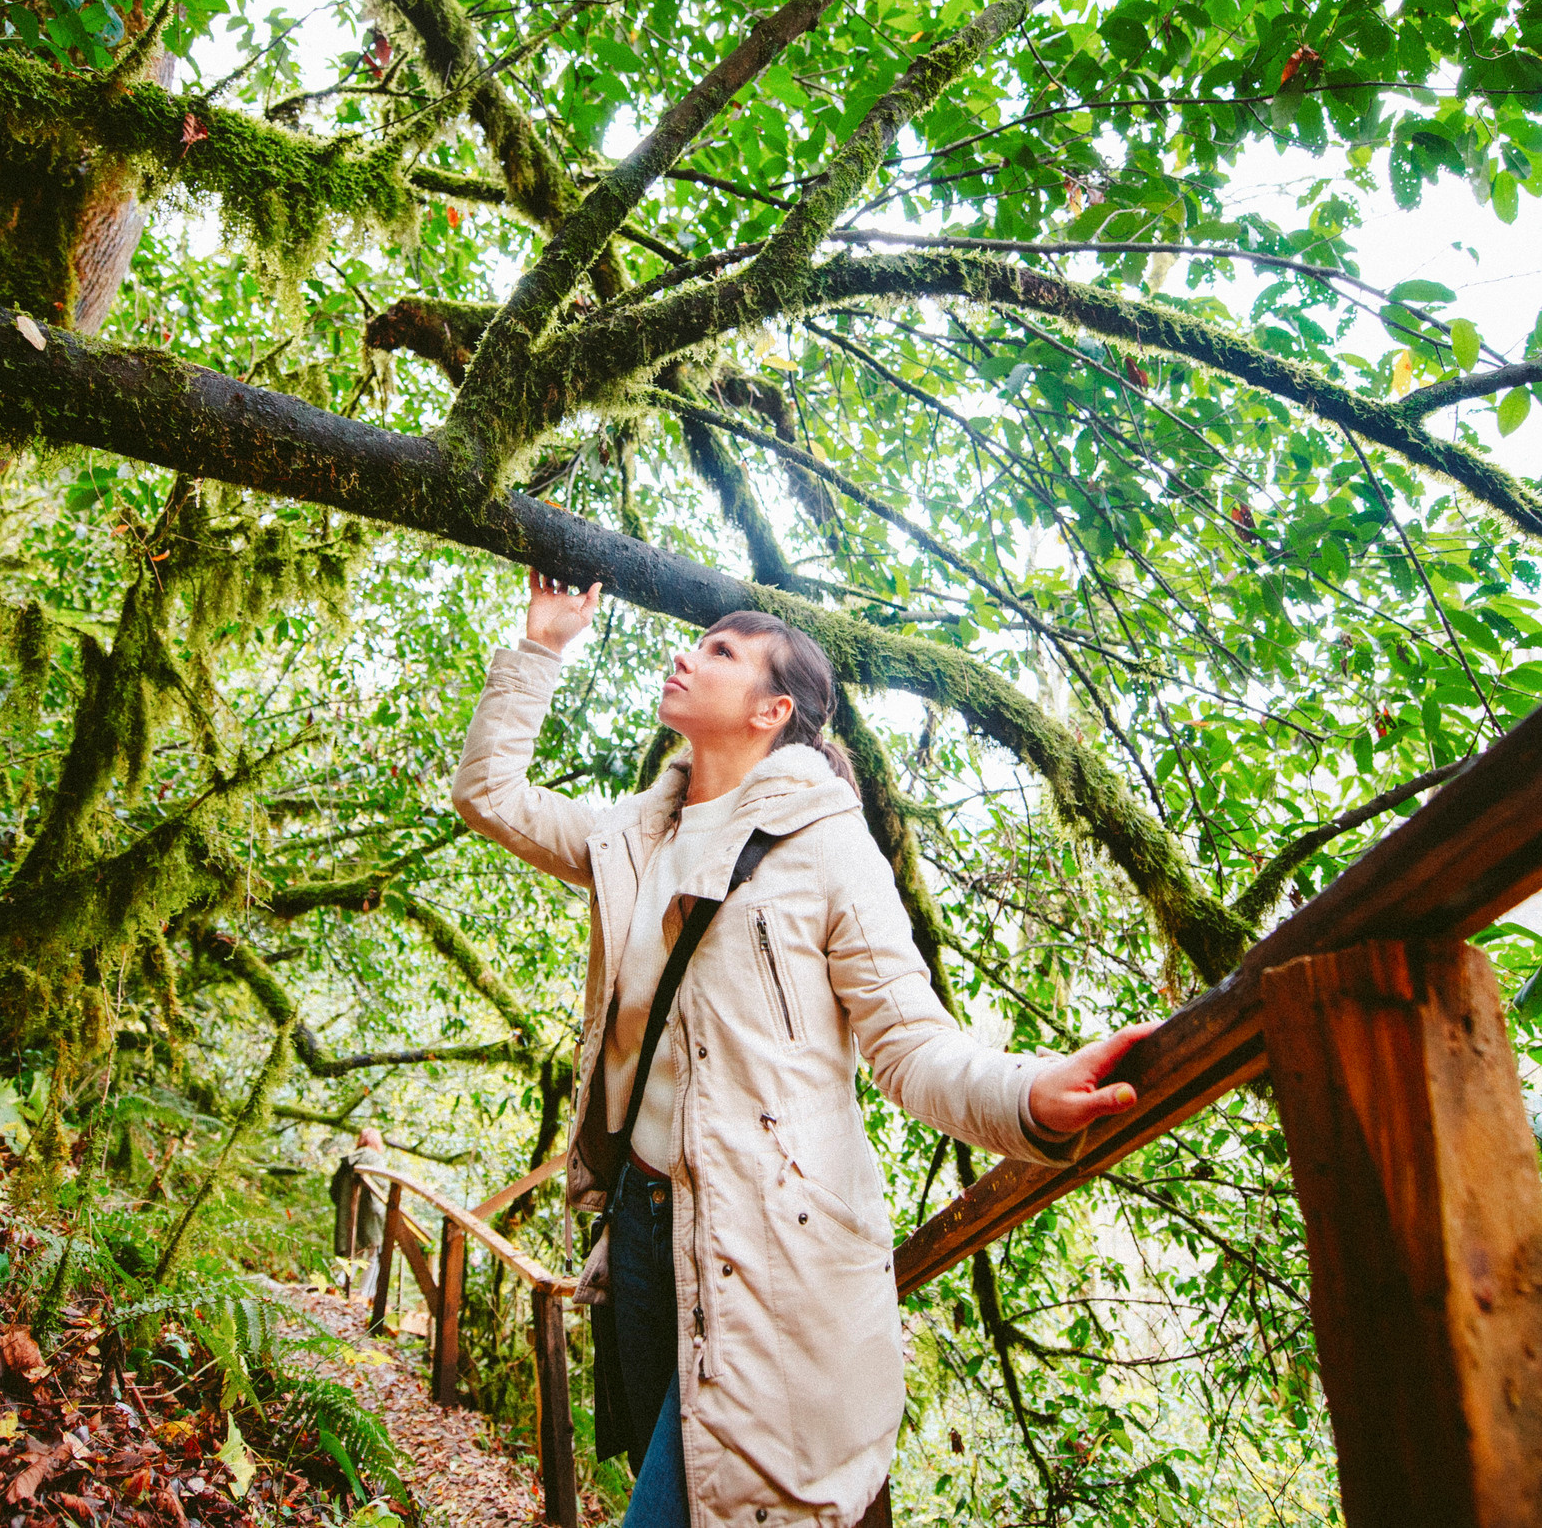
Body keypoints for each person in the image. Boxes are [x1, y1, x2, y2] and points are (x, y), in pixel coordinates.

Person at [453, 573, 1152, 1528]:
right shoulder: (633, 835)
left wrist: (1029, 1095)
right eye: (698, 642)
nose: (687, 655)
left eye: (721, 651)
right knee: (704, 1486)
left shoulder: (831, 848)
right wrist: (542, 644)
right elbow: (488, 793)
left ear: (773, 710)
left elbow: (909, 1044)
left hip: (770, 1246)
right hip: (647, 1231)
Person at [328, 1126, 389, 1294]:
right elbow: (383, 1185)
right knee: (373, 1251)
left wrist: (344, 1207)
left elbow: (334, 1191)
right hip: (372, 1214)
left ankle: (342, 1280)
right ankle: (365, 1293)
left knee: (353, 1249)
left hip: (349, 1215)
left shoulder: (348, 1161)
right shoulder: (377, 1159)